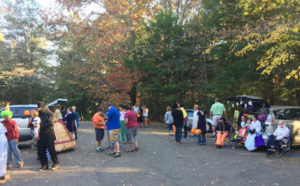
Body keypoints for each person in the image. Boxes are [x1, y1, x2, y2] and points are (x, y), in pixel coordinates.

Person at [37, 101, 59, 171]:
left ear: (43, 107)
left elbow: (50, 123)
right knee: (41, 151)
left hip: (49, 134)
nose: (39, 109)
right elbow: (35, 121)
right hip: (40, 135)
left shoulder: (50, 114)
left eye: (40, 108)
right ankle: (44, 165)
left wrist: (41, 128)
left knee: (51, 150)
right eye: (38, 108)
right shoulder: (38, 114)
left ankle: (56, 163)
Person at [0, 104, 23, 169]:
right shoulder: (1, 123)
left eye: (7, 116)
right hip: (5, 139)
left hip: (13, 138)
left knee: (15, 150)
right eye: (4, 116)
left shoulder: (13, 122)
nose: (6, 117)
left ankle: (20, 162)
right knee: (7, 151)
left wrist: (16, 138)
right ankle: (8, 164)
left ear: (9, 116)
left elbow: (16, 131)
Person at [0, 115, 9, 184]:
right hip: (3, 139)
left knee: (2, 157)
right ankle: (2, 174)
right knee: (3, 157)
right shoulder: (1, 124)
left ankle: (1, 174)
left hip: (2, 139)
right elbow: (6, 132)